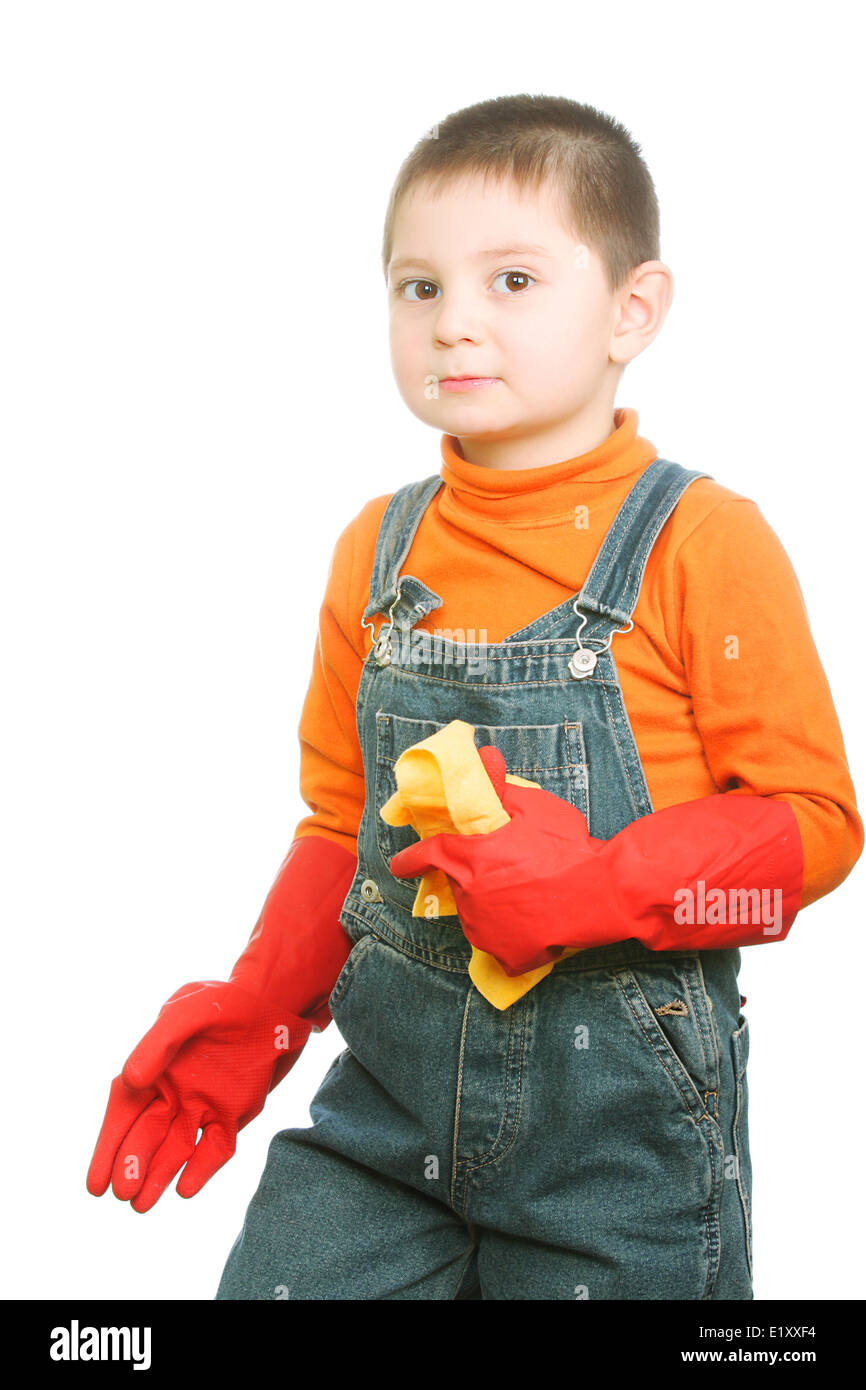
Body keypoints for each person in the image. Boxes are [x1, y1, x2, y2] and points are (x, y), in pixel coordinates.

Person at [86, 93, 863, 1300]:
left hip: (622, 1153)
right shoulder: (377, 553)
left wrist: (602, 883)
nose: (454, 326)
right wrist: (263, 1005)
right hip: (382, 1128)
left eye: (511, 281)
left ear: (630, 310)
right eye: (418, 288)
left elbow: (810, 836)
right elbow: (344, 830)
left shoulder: (701, 541)